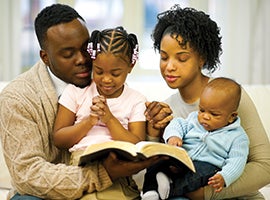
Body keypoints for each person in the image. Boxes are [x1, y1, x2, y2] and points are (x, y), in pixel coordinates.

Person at [0, 4, 162, 200]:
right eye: (68, 54)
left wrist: (155, 132)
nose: (82, 60)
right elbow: (28, 175)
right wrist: (102, 173)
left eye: (86, 49)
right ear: (45, 57)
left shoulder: (112, 82)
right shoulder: (17, 98)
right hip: (46, 194)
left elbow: (138, 146)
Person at [144, 4, 270, 199]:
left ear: (201, 58)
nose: (169, 67)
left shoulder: (230, 96)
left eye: (182, 58)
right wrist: (152, 134)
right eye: (163, 57)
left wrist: (206, 193)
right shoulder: (165, 108)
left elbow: (265, 166)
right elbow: (159, 173)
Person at [53, 26, 146, 199]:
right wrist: (89, 121)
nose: (106, 79)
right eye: (99, 71)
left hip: (119, 166)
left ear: (130, 66)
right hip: (81, 168)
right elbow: (59, 139)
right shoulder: (75, 92)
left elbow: (138, 145)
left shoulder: (136, 99)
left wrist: (109, 119)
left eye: (115, 73)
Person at [142, 77, 249, 200]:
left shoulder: (238, 137)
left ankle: (168, 190)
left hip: (209, 166)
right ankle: (150, 192)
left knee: (198, 174)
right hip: (183, 160)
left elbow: (237, 161)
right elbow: (177, 123)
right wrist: (174, 136)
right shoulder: (193, 119)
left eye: (213, 114)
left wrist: (225, 176)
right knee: (157, 161)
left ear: (231, 117)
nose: (205, 117)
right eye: (202, 110)